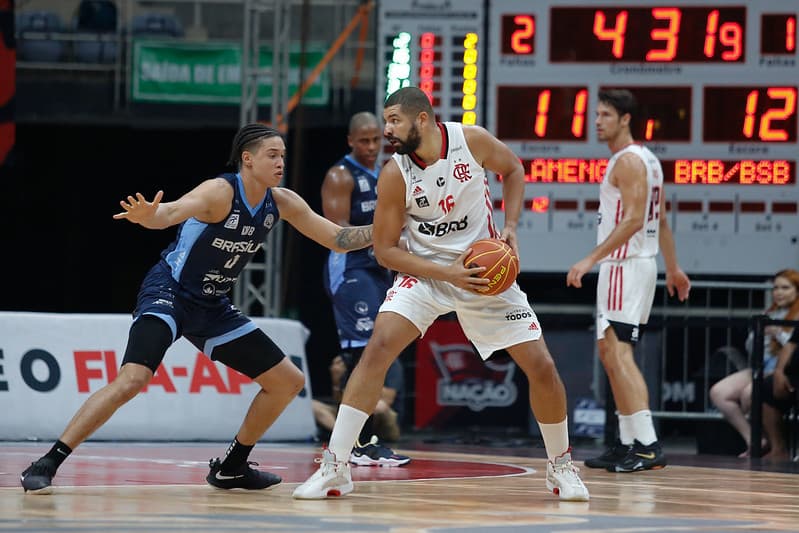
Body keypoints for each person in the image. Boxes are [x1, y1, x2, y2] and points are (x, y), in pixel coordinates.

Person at [19, 123, 374, 494]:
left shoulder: (282, 201)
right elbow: (170, 212)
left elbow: (336, 238)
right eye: (273, 155)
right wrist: (149, 217)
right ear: (247, 159)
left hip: (212, 305)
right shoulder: (219, 192)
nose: (281, 162)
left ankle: (232, 467)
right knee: (133, 379)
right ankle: (49, 460)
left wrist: (383, 227)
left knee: (287, 381)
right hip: (169, 292)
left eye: (283, 155)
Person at [294, 86, 589, 501]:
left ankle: (561, 467)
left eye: (394, 120)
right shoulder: (395, 173)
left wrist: (511, 226)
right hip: (429, 273)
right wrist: (446, 273)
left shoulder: (472, 141)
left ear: (422, 119)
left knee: (540, 365)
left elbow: (515, 170)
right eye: (385, 121)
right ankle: (336, 466)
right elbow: (385, 250)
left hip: (481, 273)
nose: (387, 129)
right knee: (376, 348)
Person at [567, 89, 691, 473]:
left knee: (620, 355)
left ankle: (649, 444)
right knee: (610, 354)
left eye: (605, 114)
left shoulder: (629, 162)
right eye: (597, 114)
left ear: (625, 119)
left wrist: (591, 257)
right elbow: (663, 220)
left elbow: (635, 219)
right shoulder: (648, 160)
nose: (598, 121)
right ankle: (626, 443)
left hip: (626, 266)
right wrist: (673, 268)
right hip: (634, 266)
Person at [317, 111, 410, 466]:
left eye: (376, 140)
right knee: (362, 353)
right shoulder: (340, 175)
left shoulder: (386, 172)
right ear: (351, 141)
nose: (372, 146)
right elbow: (336, 231)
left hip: (379, 269)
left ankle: (360, 441)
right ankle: (356, 443)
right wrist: (380, 237)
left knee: (377, 349)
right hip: (351, 271)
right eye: (364, 140)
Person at [710, 269, 799, 457]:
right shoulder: (769, 311)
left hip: (782, 368)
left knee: (749, 394)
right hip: (760, 364)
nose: (779, 292)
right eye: (775, 288)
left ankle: (769, 444)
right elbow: (751, 348)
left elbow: (794, 349)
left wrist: (778, 333)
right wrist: (758, 335)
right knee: (719, 392)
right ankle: (754, 439)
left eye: (785, 288)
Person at [761, 325, 799, 460]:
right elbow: (791, 344)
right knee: (766, 387)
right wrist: (779, 372)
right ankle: (778, 449)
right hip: (794, 375)